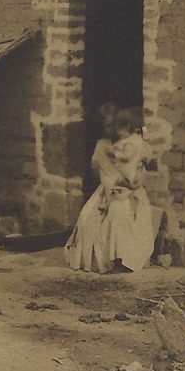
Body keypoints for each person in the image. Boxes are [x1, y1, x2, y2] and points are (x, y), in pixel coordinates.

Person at [64, 105, 157, 274]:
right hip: (107, 188)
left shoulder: (134, 143)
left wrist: (135, 182)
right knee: (87, 217)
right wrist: (108, 180)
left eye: (114, 125)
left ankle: (123, 259)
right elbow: (94, 172)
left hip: (130, 189)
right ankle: (100, 260)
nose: (112, 130)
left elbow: (145, 166)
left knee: (120, 213)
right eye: (107, 126)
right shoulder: (103, 146)